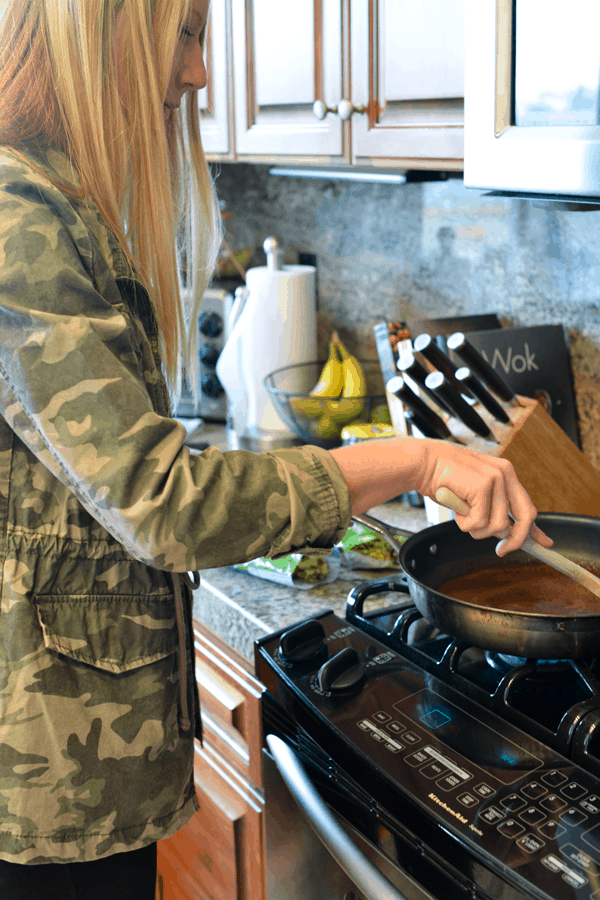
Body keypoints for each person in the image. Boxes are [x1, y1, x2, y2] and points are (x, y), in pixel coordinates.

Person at [0, 0, 552, 897]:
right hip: (47, 778)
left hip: (69, 764)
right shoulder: (18, 212)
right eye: (184, 34)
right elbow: (165, 502)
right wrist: (412, 460)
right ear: (100, 30)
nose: (199, 74)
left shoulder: (49, 199)